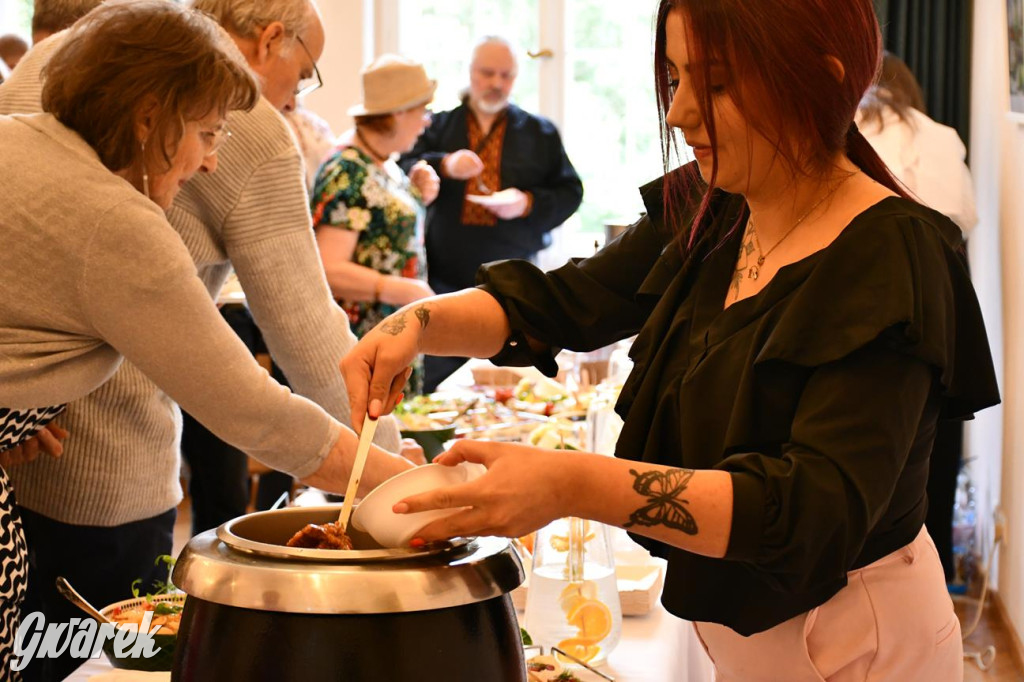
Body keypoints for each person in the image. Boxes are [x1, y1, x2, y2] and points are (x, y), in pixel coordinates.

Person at [344, 0, 1000, 678]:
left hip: (860, 646)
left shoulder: (890, 254)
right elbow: (565, 300)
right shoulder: (716, 206)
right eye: (674, 80)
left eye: (714, 83)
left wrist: (572, 483)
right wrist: (417, 324)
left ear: (821, 79)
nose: (682, 112)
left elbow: (810, 510)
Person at [0, 2, 412, 678]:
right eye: (208, 132)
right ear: (146, 118)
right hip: (101, 497)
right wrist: (423, 489)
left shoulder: (20, 128)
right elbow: (262, 413)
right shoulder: (121, 225)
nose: (215, 161)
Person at [397, 35, 583, 391]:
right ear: (470, 72)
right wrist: (445, 164)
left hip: (512, 285)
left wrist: (527, 202)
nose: (497, 83)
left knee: (507, 390)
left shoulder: (539, 132)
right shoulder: (437, 125)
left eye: (506, 75)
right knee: (435, 387)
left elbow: (570, 192)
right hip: (442, 280)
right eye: (487, 73)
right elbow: (403, 163)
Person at [858, 52, 981, 585]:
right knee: (935, 435)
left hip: (870, 292)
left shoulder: (850, 130)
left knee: (874, 437)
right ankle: (935, 570)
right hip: (943, 298)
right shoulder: (941, 135)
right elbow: (961, 221)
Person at [311, 54, 440, 395]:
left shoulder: (382, 164)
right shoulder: (347, 170)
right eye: (421, 111)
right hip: (364, 345)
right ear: (398, 112)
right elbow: (330, 268)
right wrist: (403, 290)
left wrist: (415, 193)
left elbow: (381, 234)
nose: (426, 121)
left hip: (391, 338)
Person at [857, 52, 978, 235]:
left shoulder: (851, 127)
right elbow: (967, 219)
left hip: (869, 242)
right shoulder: (943, 134)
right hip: (934, 252)